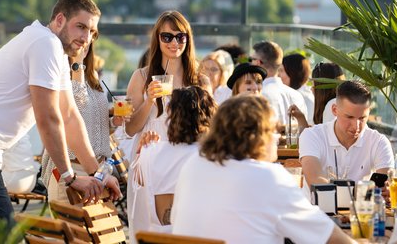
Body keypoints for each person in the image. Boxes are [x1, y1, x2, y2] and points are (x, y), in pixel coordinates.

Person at [0, 0, 120, 236]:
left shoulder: (54, 51)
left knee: (6, 238)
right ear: (60, 20)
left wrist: (97, 173)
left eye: (92, 32)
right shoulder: (45, 43)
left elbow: (70, 116)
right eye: (80, 27)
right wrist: (69, 177)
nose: (86, 38)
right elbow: (48, 117)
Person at [171, 95, 353, 244]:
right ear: (257, 136)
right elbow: (331, 238)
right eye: (272, 130)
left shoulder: (194, 164)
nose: (277, 137)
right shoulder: (269, 177)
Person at [125, 10, 207, 243]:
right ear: (157, 39)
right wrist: (150, 99)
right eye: (167, 37)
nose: (174, 42)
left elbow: (209, 125)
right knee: (147, 228)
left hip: (188, 159)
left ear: (188, 39)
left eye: (180, 36)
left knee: (188, 227)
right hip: (150, 156)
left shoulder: (199, 79)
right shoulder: (141, 77)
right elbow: (130, 129)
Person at [133, 86, 217, 234]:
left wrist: (142, 151)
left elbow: (139, 179)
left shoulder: (151, 151)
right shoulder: (211, 157)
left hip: (158, 238)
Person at [41, 41, 115, 202]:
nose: (84, 43)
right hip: (72, 171)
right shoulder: (58, 76)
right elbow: (73, 111)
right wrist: (78, 64)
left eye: (89, 38)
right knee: (71, 227)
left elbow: (92, 124)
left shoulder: (92, 77)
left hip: (99, 170)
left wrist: (114, 121)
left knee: (97, 226)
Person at [299, 80, 394, 197]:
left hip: (362, 213)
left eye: (362, 118)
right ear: (335, 110)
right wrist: (363, 192)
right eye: (349, 117)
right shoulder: (311, 135)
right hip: (316, 213)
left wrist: (386, 191)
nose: (356, 126)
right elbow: (316, 182)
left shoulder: (379, 142)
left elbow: (385, 185)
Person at [251, 41, 308, 124]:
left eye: (251, 59)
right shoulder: (297, 95)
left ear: (258, 62)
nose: (250, 63)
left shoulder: (259, 95)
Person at [280, 53, 314, 123]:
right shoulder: (293, 93)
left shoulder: (305, 97)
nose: (278, 75)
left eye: (281, 70)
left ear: (292, 73)